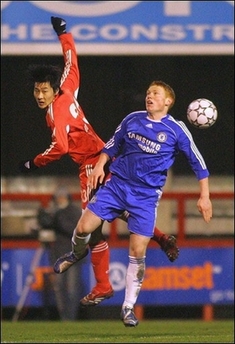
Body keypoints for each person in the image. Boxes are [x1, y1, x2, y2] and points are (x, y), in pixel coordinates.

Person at [18, 16, 179, 307]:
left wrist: (34, 163)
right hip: (108, 155)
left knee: (91, 228)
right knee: (120, 212)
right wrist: (63, 33)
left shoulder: (56, 116)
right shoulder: (67, 87)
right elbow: (71, 59)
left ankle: (104, 284)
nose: (39, 95)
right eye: (36, 90)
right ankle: (162, 238)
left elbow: (60, 147)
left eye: (44, 90)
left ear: (53, 91)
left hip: (93, 166)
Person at [55, 80, 213, 327]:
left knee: (137, 251)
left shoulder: (177, 130)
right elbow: (110, 145)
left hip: (145, 197)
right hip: (116, 186)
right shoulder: (132, 119)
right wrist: (99, 164)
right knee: (84, 228)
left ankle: (128, 308)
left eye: (155, 93)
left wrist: (204, 196)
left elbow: (199, 165)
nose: (149, 96)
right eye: (148, 92)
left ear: (168, 101)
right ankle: (76, 253)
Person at [37, 186, 85, 320]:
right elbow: (46, 224)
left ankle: (71, 317)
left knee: (71, 289)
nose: (59, 200)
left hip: (72, 255)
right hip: (58, 255)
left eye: (61, 197)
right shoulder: (56, 212)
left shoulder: (74, 211)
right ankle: (64, 317)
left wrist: (56, 218)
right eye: (57, 197)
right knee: (58, 288)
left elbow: (72, 229)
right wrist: (42, 215)